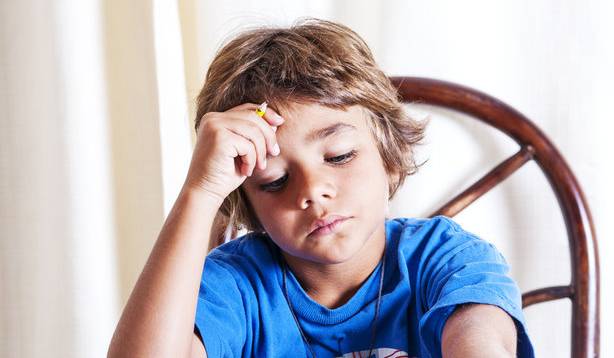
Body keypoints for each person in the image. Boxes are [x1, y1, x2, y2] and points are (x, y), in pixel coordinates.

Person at [108, 18, 534, 358]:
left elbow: (480, 340)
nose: (313, 191)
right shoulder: (235, 285)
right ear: (249, 206)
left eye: (339, 156)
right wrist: (200, 193)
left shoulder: (446, 259)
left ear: (390, 155)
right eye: (274, 181)